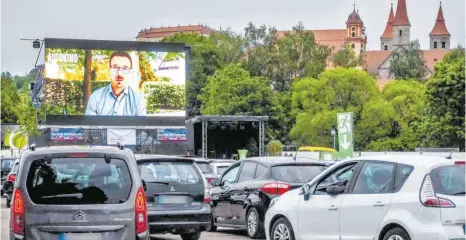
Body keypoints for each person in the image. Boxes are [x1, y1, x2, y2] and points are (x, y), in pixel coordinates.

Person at [85, 51, 146, 116]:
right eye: (115, 67)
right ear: (110, 70)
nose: (120, 73)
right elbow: (91, 126)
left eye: (125, 68)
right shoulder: (95, 98)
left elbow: (140, 126)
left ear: (130, 72)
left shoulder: (138, 100)